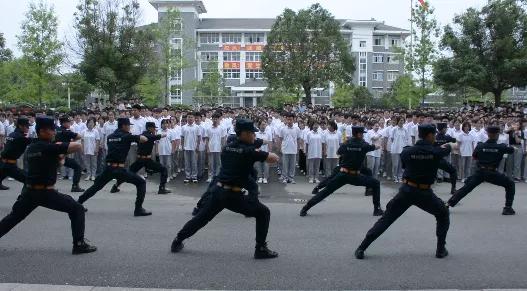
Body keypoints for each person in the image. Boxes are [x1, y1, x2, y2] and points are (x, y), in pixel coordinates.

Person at [170, 119, 280, 259]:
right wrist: (268, 152)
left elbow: (249, 143)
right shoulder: (248, 151)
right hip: (233, 195)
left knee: (201, 218)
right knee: (264, 213)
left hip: (218, 191)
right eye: (252, 133)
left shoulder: (228, 146)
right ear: (245, 134)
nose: (254, 135)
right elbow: (272, 158)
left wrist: (259, 142)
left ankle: (178, 240)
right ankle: (261, 249)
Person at [0, 116, 97, 254]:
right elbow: (78, 145)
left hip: (29, 191)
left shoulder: (32, 147)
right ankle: (79, 244)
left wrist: (59, 154)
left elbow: (58, 162)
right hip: (45, 193)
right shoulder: (48, 147)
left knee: (12, 218)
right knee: (77, 209)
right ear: (43, 131)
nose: (54, 133)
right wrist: (60, 148)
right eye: (52, 130)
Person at [354, 124, 451, 260]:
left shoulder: (407, 151)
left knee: (386, 219)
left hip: (407, 190)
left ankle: (361, 248)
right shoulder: (436, 152)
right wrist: (446, 146)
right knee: (443, 213)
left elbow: (405, 164)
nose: (435, 137)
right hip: (424, 193)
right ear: (429, 135)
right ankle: (440, 249)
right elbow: (449, 148)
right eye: (433, 135)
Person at [300, 126, 384, 217]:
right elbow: (375, 147)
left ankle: (305, 208)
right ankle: (377, 209)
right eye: (362, 134)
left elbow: (339, 152)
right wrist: (378, 145)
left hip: (342, 173)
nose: (363, 135)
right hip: (355, 176)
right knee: (375, 183)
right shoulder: (363, 144)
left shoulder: (347, 143)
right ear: (359, 134)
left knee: (326, 192)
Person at [77, 118, 152, 216]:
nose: (130, 127)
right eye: (129, 125)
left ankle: (78, 203)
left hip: (108, 168)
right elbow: (144, 139)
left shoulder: (110, 136)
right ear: (124, 126)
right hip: (119, 169)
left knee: (95, 187)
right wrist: (139, 135)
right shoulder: (127, 136)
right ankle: (138, 209)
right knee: (141, 182)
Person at [447, 125, 516, 215]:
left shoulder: (480, 146)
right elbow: (511, 150)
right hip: (492, 173)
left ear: (488, 134)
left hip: (480, 172)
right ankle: (508, 208)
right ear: (497, 135)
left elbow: (475, 156)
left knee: (466, 188)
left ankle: (447, 204)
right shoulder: (501, 147)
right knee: (510, 184)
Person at [110, 122, 171, 195]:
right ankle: (162, 188)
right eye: (153, 128)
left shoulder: (141, 135)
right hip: (145, 160)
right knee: (164, 169)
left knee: (127, 173)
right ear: (149, 128)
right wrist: (163, 134)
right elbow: (156, 137)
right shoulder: (148, 136)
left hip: (142, 160)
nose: (155, 129)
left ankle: (115, 186)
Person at [55, 116, 85, 192]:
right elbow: (79, 136)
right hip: (60, 156)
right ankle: (75, 186)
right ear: (64, 123)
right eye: (68, 122)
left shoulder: (56, 130)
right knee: (78, 167)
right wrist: (71, 141)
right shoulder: (66, 132)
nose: (69, 123)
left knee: (51, 170)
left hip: (54, 154)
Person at [0, 118, 32, 190]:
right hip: (9, 164)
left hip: (3, 162)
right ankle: (25, 197)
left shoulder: (12, 134)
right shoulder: (20, 137)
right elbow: (33, 141)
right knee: (28, 179)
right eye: (27, 126)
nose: (28, 128)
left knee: (2, 173)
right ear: (20, 126)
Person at [435, 122, 458, 194]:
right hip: (441, 158)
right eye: (445, 128)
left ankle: (440, 178)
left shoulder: (435, 137)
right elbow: (455, 140)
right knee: (453, 171)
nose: (446, 130)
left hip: (434, 158)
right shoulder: (446, 137)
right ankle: (453, 189)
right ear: (443, 129)